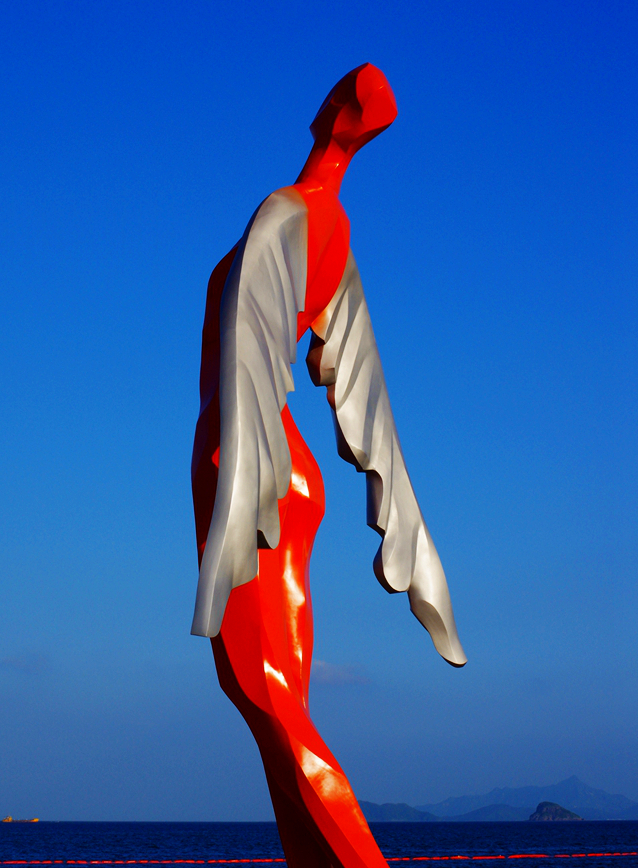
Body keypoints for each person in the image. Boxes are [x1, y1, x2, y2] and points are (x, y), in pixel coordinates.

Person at [191, 64, 466, 868]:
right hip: (285, 465)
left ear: (331, 115)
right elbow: (365, 390)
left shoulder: (285, 213)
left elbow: (245, 355)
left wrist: (234, 481)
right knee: (271, 698)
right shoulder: (334, 237)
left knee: (269, 695)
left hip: (251, 455)